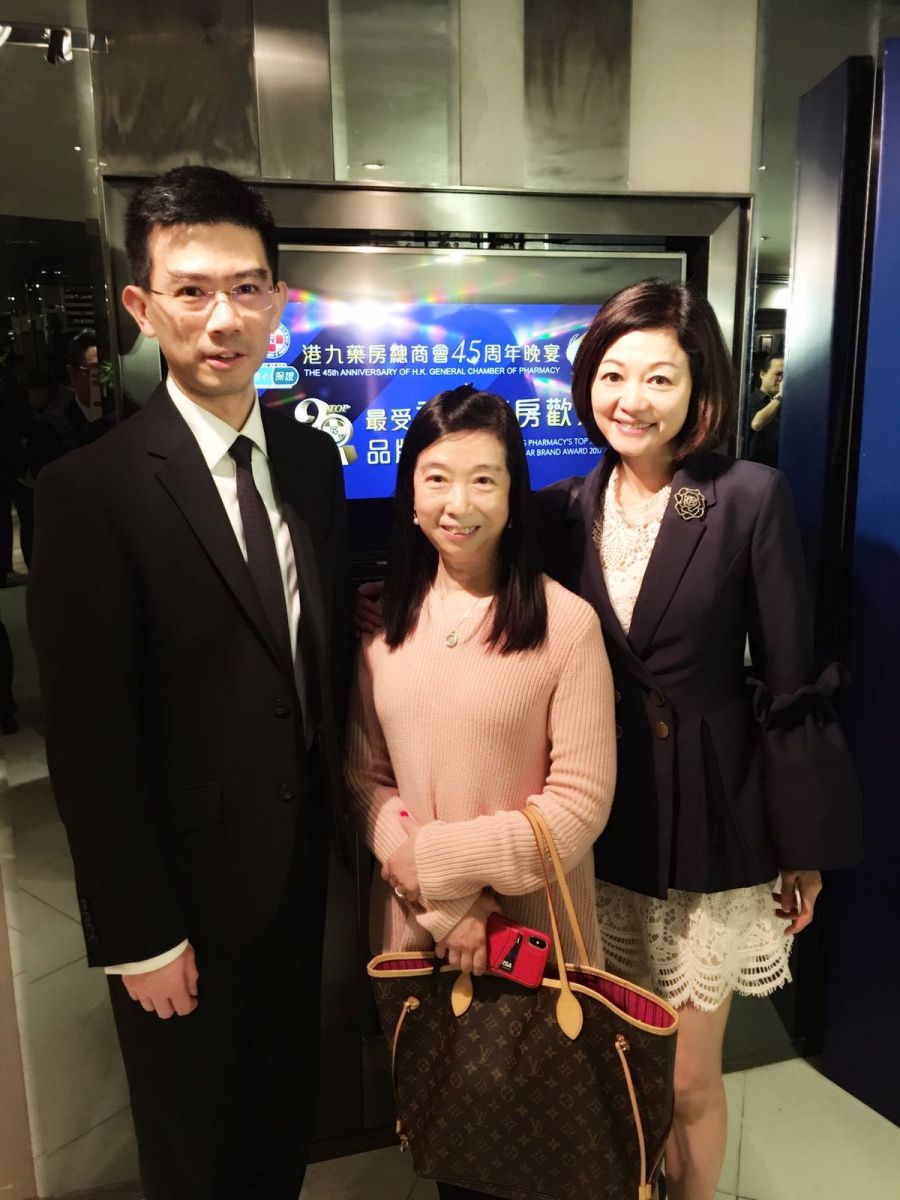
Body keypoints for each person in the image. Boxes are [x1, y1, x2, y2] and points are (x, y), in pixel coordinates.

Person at [27, 165, 351, 1200]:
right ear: (142, 305)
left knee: (281, 1125)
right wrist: (137, 934)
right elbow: (89, 745)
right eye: (192, 290)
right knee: (193, 1151)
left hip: (300, 874)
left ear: (279, 302)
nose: (223, 318)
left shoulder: (311, 461)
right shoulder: (88, 493)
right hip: (181, 895)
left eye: (247, 288)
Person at [538, 281, 861, 1200]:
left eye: (658, 377)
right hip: (597, 813)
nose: (630, 398)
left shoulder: (745, 496)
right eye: (612, 374)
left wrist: (802, 846)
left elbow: (792, 680)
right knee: (611, 1057)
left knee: (686, 1078)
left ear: (699, 388)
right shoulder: (564, 507)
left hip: (711, 817)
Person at [346, 385, 617, 1200]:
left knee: (545, 1152)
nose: (456, 504)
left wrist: (439, 867)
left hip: (535, 937)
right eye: (436, 478)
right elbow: (364, 778)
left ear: (512, 494)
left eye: (483, 480)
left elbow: (579, 803)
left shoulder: (564, 625)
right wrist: (452, 911)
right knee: (453, 1145)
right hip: (417, 933)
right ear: (409, 491)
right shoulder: (383, 629)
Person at [747, 352, 783, 468]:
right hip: (757, 467)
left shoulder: (786, 404)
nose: (781, 380)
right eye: (778, 374)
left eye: (784, 375)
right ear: (762, 374)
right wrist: (780, 396)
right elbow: (757, 424)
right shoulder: (751, 399)